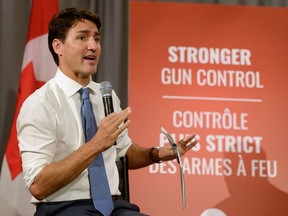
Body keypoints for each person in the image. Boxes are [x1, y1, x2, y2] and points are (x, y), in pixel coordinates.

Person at [17, 7, 198, 216]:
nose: (93, 46)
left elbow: (122, 152)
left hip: (113, 208)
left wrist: (157, 153)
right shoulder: (40, 104)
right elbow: (38, 186)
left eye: (96, 38)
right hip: (64, 208)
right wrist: (95, 144)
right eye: (82, 37)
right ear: (58, 46)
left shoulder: (106, 96)